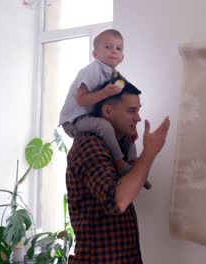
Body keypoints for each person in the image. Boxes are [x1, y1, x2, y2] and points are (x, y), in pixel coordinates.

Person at [65, 82, 170, 263]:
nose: (138, 118)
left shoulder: (118, 147)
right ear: (107, 111)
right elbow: (118, 201)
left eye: (138, 110)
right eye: (131, 110)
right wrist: (149, 152)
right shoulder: (89, 145)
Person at [59, 29, 151, 188]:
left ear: (122, 57)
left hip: (91, 117)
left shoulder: (116, 77)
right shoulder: (92, 70)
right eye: (108, 47)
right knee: (104, 126)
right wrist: (104, 92)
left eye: (118, 48)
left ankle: (134, 166)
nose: (113, 51)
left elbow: (127, 95)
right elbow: (81, 99)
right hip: (74, 121)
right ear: (95, 54)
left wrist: (131, 129)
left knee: (126, 133)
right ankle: (120, 164)